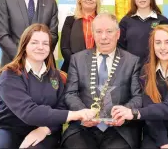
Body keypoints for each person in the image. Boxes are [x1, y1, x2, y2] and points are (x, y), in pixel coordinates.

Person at [0, 24, 96, 149]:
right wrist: (76, 114)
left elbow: (61, 105)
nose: (40, 47)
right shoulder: (9, 75)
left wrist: (46, 129)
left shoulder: (56, 76)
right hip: (8, 129)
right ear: (24, 45)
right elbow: (29, 112)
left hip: (45, 130)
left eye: (45, 43)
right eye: (34, 43)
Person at [111, 25, 168, 149]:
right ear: (152, 46)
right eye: (158, 43)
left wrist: (134, 113)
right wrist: (163, 142)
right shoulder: (147, 71)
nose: (162, 47)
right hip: (155, 134)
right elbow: (150, 109)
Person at [61, 12, 143, 149]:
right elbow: (70, 93)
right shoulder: (77, 59)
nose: (104, 37)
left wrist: (125, 111)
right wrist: (82, 113)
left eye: (109, 31)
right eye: (99, 31)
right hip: (83, 128)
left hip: (119, 130)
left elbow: (138, 96)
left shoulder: (132, 61)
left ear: (118, 34)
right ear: (93, 34)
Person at [118, 0, 168, 65]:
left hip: (155, 70)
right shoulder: (125, 21)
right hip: (131, 71)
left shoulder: (162, 21)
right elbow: (120, 48)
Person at [60, 0, 101, 72]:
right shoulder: (70, 20)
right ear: (80, 0)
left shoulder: (103, 22)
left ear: (97, 1)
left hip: (97, 70)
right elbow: (65, 48)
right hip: (72, 69)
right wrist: (78, 65)